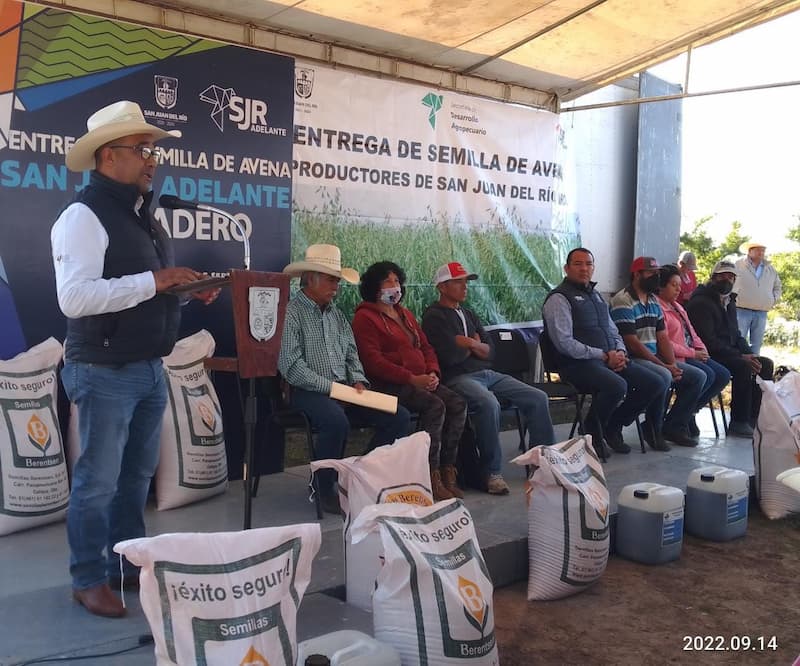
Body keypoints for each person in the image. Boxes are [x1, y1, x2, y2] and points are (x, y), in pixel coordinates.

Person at [52, 100, 220, 618]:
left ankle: (126, 566)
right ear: (107, 157)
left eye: (153, 150)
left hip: (148, 367)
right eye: (141, 150)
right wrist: (155, 280)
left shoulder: (142, 216)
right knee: (98, 481)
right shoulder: (82, 216)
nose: (152, 159)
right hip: (103, 370)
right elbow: (74, 298)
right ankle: (87, 578)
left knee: (134, 476)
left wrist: (186, 291)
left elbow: (141, 290)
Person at [278, 244, 411, 513]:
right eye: (331, 279)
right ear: (311, 279)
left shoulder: (337, 315)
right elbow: (291, 367)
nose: (336, 286)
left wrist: (359, 380)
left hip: (346, 390)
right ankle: (323, 486)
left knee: (399, 416)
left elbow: (352, 355)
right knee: (335, 421)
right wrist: (331, 388)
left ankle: (357, 475)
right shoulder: (291, 313)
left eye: (337, 280)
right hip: (307, 390)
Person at [421, 262, 554, 495]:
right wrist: (474, 345)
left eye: (466, 282)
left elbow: (491, 351)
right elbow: (449, 357)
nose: (465, 287)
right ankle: (492, 472)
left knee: (537, 396)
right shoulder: (433, 316)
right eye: (458, 282)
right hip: (458, 378)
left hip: (487, 373)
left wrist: (470, 343)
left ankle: (543, 464)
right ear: (442, 287)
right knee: (488, 403)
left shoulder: (468, 313)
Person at [352, 261, 467, 500]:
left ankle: (449, 470)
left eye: (396, 281)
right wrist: (412, 378)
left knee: (457, 403)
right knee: (435, 406)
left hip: (422, 379)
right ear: (374, 287)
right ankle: (429, 474)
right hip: (390, 384)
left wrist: (433, 372)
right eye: (387, 282)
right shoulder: (365, 318)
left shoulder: (404, 314)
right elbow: (373, 362)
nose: (394, 286)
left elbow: (425, 346)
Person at [541, 248, 667, 457]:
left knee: (655, 382)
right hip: (576, 365)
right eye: (578, 264)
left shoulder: (597, 296)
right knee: (617, 385)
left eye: (588, 264)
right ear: (566, 268)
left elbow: (612, 329)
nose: (584, 269)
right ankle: (591, 431)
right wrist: (603, 355)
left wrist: (619, 351)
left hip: (608, 360)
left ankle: (612, 427)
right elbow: (564, 343)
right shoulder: (559, 298)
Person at [610, 256, 705, 449]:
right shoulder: (623, 300)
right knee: (662, 377)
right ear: (637, 275)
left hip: (652, 359)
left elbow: (662, 337)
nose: (656, 276)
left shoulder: (653, 300)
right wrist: (665, 367)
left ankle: (674, 426)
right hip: (630, 357)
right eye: (651, 273)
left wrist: (672, 364)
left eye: (657, 273)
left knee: (698, 376)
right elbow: (633, 343)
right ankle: (620, 424)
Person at [686, 259, 774, 437]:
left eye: (731, 277)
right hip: (709, 353)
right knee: (743, 366)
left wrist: (748, 353)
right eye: (722, 276)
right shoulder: (701, 302)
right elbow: (708, 341)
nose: (727, 280)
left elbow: (736, 335)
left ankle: (752, 417)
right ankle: (738, 422)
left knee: (764, 364)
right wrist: (741, 357)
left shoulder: (729, 301)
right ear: (713, 277)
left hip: (728, 351)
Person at [655, 264, 731, 438]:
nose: (679, 289)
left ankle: (687, 413)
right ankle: (675, 423)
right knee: (705, 375)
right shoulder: (658, 308)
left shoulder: (677, 306)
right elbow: (665, 342)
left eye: (679, 285)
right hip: (676, 355)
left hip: (690, 352)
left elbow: (691, 331)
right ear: (661, 286)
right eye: (674, 285)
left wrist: (700, 347)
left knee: (723, 374)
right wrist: (692, 353)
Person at [734, 242, 781, 355]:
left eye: (763, 250)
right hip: (741, 309)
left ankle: (754, 370)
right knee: (738, 340)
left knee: (757, 344)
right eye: (758, 250)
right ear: (750, 251)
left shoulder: (770, 269)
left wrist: (773, 300)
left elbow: (777, 286)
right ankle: (738, 367)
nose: (761, 253)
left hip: (761, 311)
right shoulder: (738, 264)